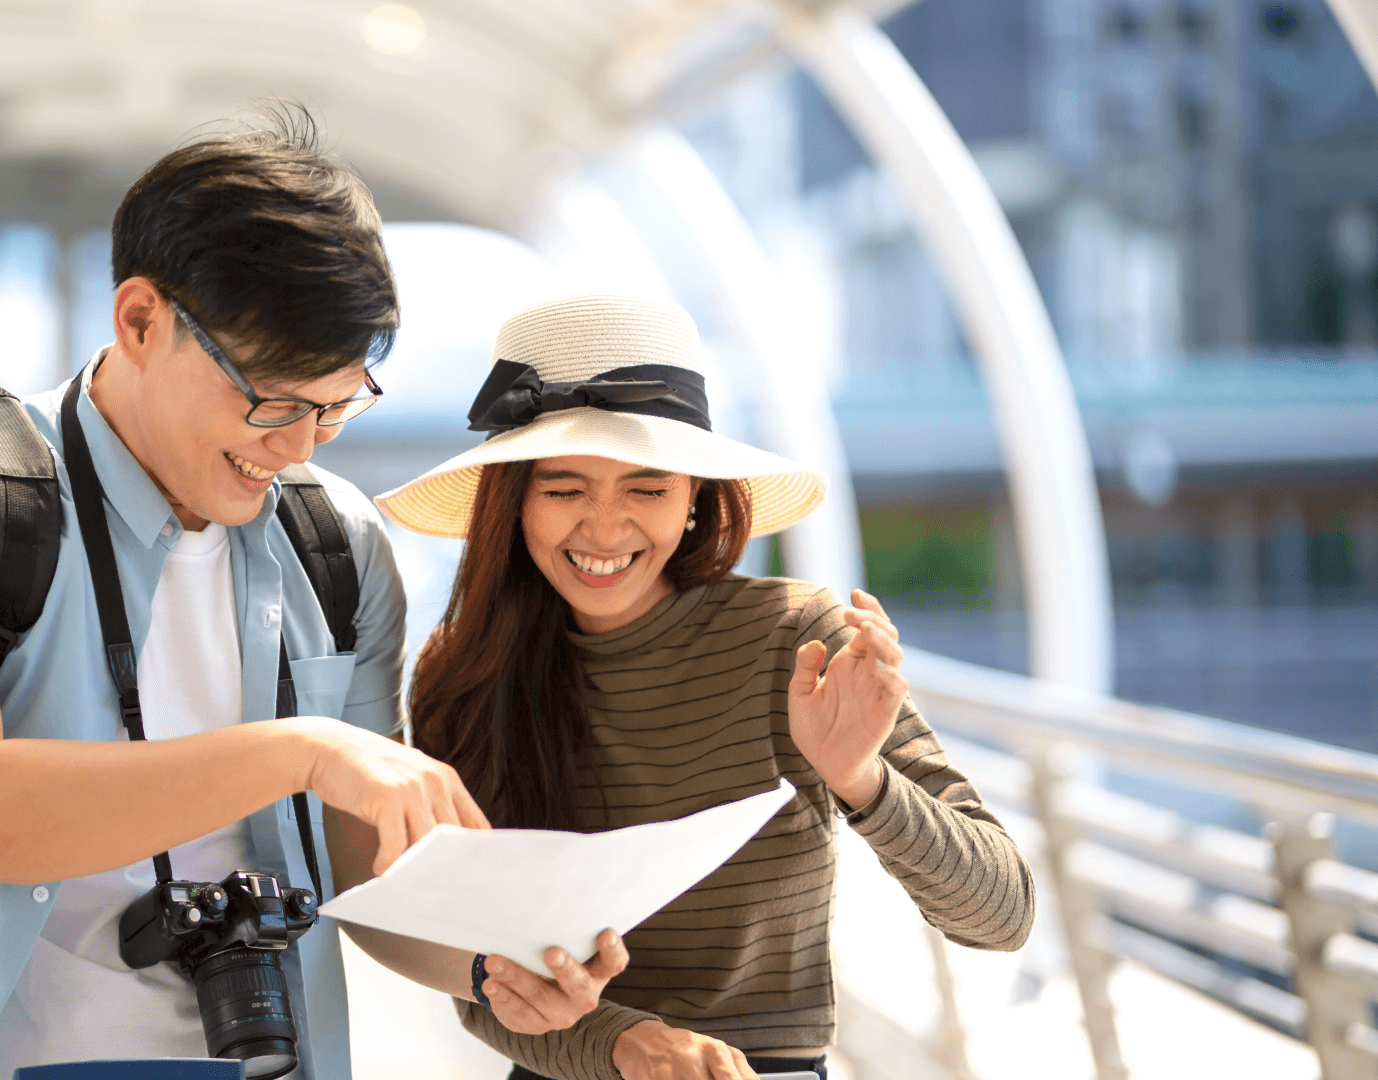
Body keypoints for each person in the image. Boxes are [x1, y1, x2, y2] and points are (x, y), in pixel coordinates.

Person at [0, 114, 619, 1080]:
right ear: (140, 320)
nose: (298, 446)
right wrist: (301, 752)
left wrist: (490, 962)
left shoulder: (335, 544)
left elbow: (356, 868)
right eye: (271, 399)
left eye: (337, 405)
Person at [373, 294, 1038, 1080]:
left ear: (694, 500)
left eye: (646, 490)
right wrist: (626, 1044)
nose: (605, 529)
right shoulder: (461, 673)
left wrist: (861, 780)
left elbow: (1004, 918)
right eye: (563, 490)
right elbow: (477, 972)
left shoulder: (798, 640)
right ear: (512, 502)